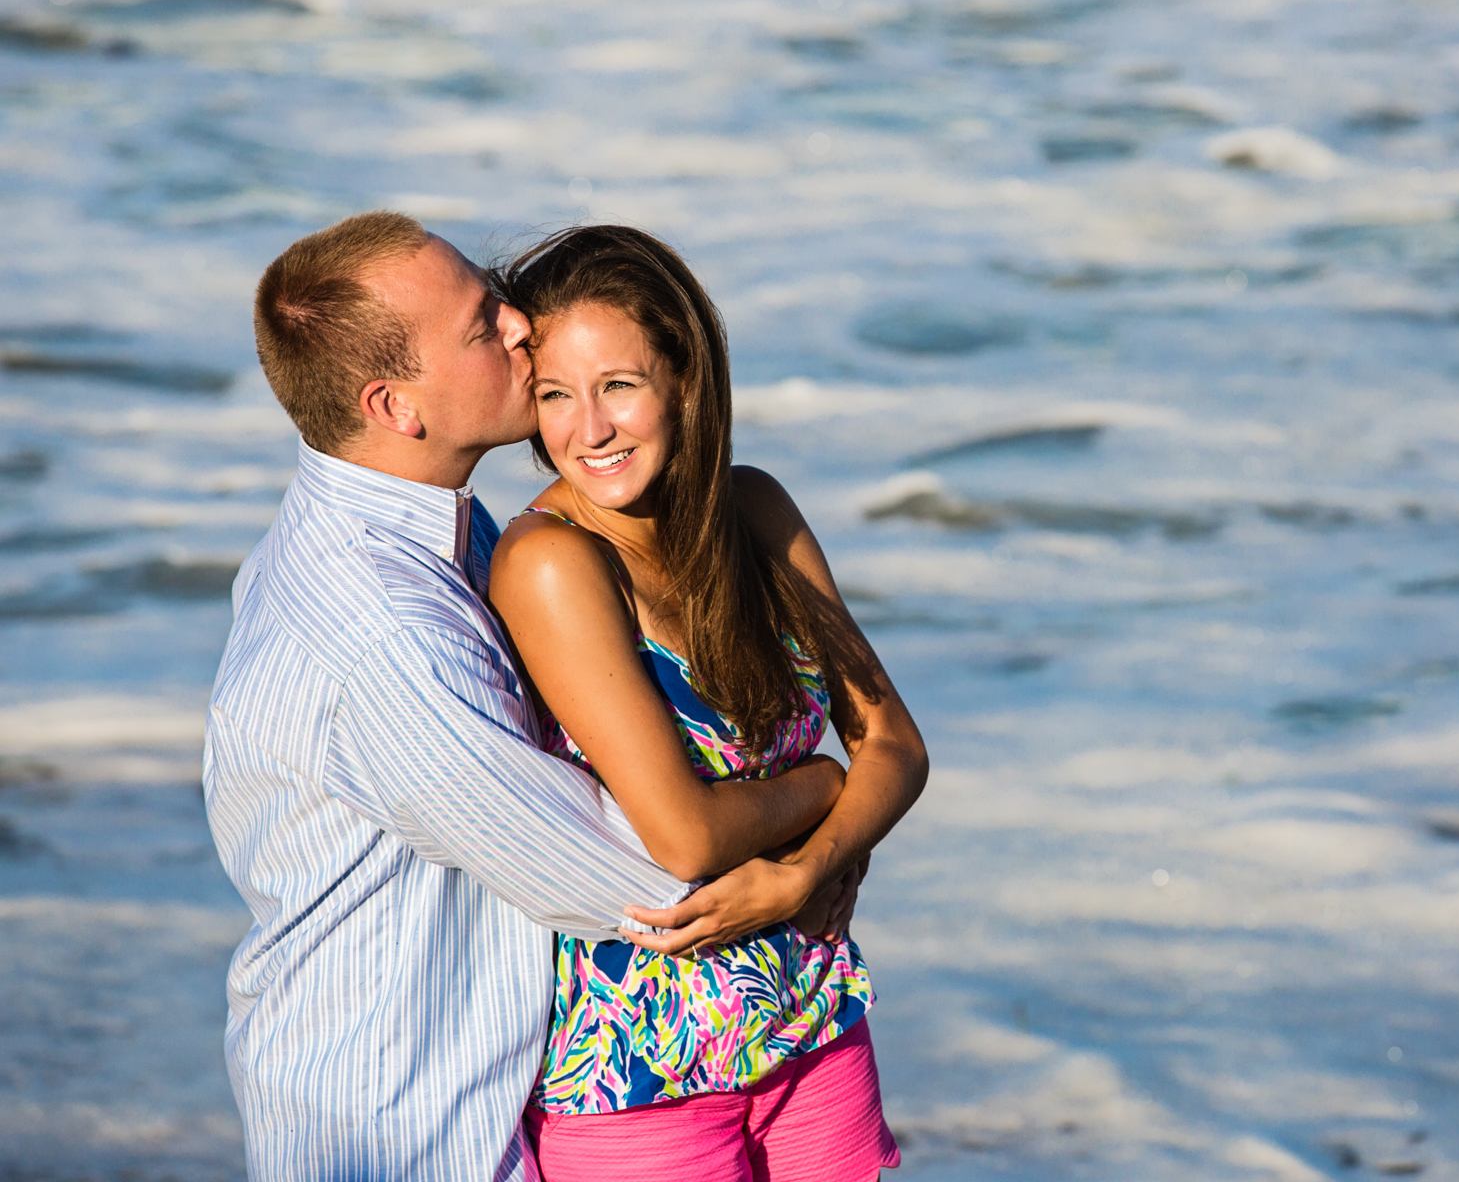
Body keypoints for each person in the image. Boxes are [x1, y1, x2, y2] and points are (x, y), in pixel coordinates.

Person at [205, 212, 861, 1180]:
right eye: (482, 325)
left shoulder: (420, 537)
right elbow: (642, 880)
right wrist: (823, 794)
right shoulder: (382, 633)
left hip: (451, 1089)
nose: (520, 323)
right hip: (408, 1129)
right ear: (396, 408)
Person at [484, 225, 928, 1180]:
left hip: (813, 1018)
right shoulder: (551, 561)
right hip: (640, 1066)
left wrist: (808, 873)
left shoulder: (756, 511)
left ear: (685, 379)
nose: (588, 430)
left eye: (620, 386)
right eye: (555, 396)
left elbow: (895, 743)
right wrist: (819, 788)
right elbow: (683, 839)